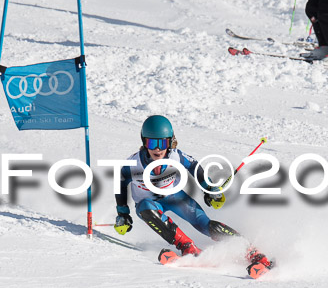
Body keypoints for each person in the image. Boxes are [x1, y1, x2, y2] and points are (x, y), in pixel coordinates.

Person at [113, 115, 271, 272]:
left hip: (174, 197)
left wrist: (208, 189)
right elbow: (119, 184)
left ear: (170, 142)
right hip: (149, 204)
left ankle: (251, 251)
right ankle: (188, 247)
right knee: (146, 207)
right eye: (152, 142)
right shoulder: (132, 164)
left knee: (206, 225)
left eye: (163, 143)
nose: (157, 149)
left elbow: (195, 167)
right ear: (144, 142)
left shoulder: (175, 156)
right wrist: (123, 213)